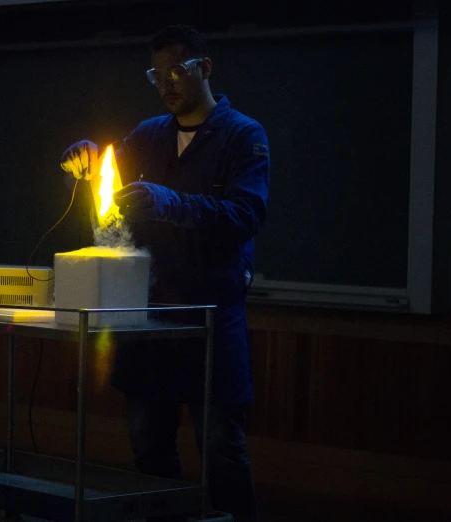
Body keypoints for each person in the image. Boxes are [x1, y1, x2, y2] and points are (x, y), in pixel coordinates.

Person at [60, 25, 269, 522]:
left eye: (177, 71)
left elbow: (246, 216)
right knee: (148, 445)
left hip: (211, 317)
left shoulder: (242, 135)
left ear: (205, 68)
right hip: (148, 318)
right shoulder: (149, 134)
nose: (166, 85)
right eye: (157, 75)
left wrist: (171, 203)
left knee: (219, 447)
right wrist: (88, 155)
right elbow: (108, 166)